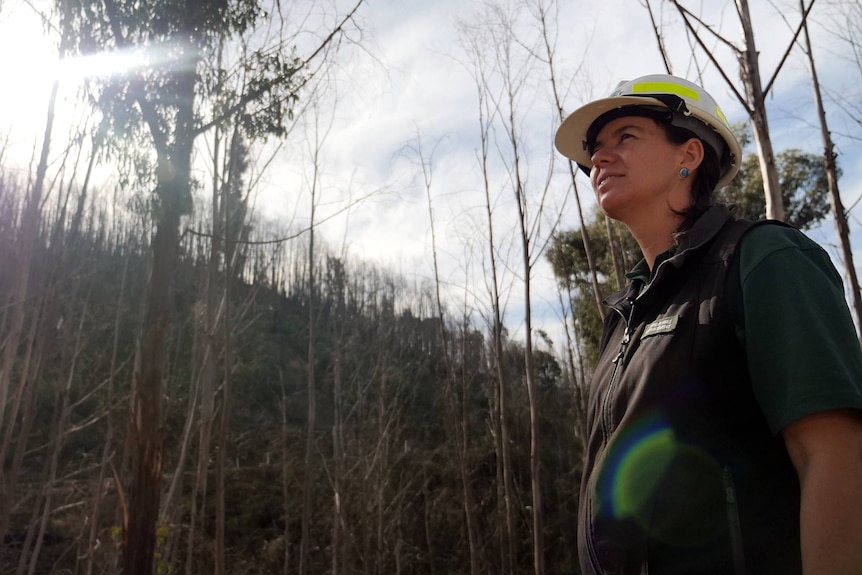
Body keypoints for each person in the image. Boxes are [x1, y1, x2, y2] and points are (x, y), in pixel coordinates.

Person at [553, 73, 862, 574]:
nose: (599, 159)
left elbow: (833, 453)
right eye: (595, 149)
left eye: (625, 137)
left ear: (689, 155)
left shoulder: (761, 258)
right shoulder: (625, 314)